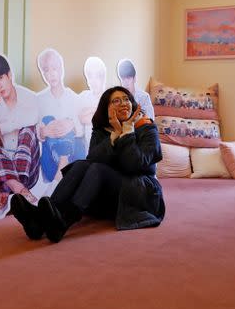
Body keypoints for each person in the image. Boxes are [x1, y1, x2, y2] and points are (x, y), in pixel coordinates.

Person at [9, 86, 165, 242]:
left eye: (127, 99)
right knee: (81, 165)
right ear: (107, 108)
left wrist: (127, 132)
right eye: (116, 101)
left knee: (97, 169)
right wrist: (114, 135)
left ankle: (62, 222)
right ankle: (41, 220)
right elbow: (93, 158)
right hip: (109, 196)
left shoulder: (146, 127)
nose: (123, 103)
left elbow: (135, 165)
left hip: (139, 193)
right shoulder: (101, 130)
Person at [0, 54, 40, 218]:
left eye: (0, 78)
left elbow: (31, 118)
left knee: (28, 129)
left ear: (9, 75)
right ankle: (19, 189)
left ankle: (3, 191)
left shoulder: (29, 97)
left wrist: (0, 126)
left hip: (26, 168)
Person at [36, 49, 85, 184]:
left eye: (55, 68)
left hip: (73, 157)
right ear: (42, 73)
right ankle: (60, 169)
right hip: (50, 159)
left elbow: (82, 130)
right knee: (48, 119)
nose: (51, 74)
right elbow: (34, 130)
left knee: (68, 122)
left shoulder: (74, 98)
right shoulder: (39, 99)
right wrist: (43, 131)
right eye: (46, 70)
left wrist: (72, 125)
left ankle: (63, 164)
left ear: (61, 69)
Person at [77, 56, 107, 152]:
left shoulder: (111, 97)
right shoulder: (83, 96)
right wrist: (98, 112)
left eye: (97, 76)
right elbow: (81, 118)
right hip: (89, 151)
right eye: (90, 76)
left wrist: (90, 112)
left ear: (103, 78)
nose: (93, 81)